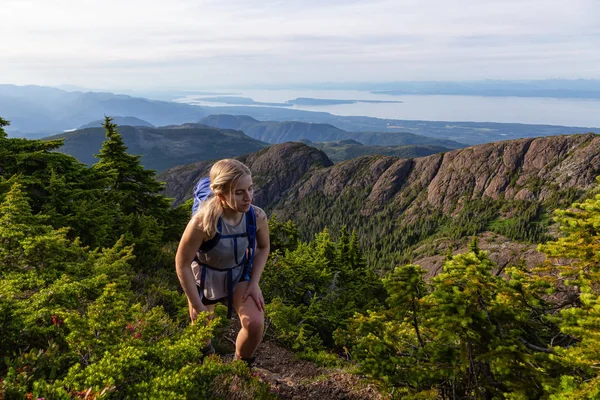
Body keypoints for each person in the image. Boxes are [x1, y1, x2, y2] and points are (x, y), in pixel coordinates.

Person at [175, 159, 270, 365]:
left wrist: (254, 283)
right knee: (202, 328)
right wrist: (195, 302)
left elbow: (263, 247)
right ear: (221, 195)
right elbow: (181, 263)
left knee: (254, 324)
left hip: (237, 273)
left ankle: (240, 367)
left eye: (250, 189)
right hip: (205, 276)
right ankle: (207, 359)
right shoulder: (202, 223)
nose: (248, 197)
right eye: (239, 192)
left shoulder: (257, 216)